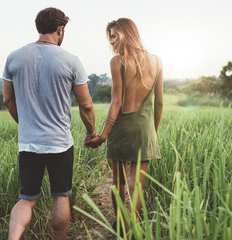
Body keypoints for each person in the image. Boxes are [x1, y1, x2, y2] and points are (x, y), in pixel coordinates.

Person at [3, 7, 97, 240]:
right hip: (60, 144)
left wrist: (25, 124)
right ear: (60, 29)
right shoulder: (71, 60)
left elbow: (7, 100)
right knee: (61, 196)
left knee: (27, 199)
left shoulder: (14, 57)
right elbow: (86, 106)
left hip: (28, 143)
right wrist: (91, 132)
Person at [85, 18, 163, 234]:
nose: (111, 40)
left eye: (114, 35)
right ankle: (134, 229)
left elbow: (116, 102)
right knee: (136, 185)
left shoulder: (117, 62)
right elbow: (159, 102)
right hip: (144, 131)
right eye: (109, 36)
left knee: (118, 183)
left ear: (127, 34)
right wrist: (152, 133)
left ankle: (120, 226)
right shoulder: (157, 61)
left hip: (120, 130)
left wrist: (103, 134)